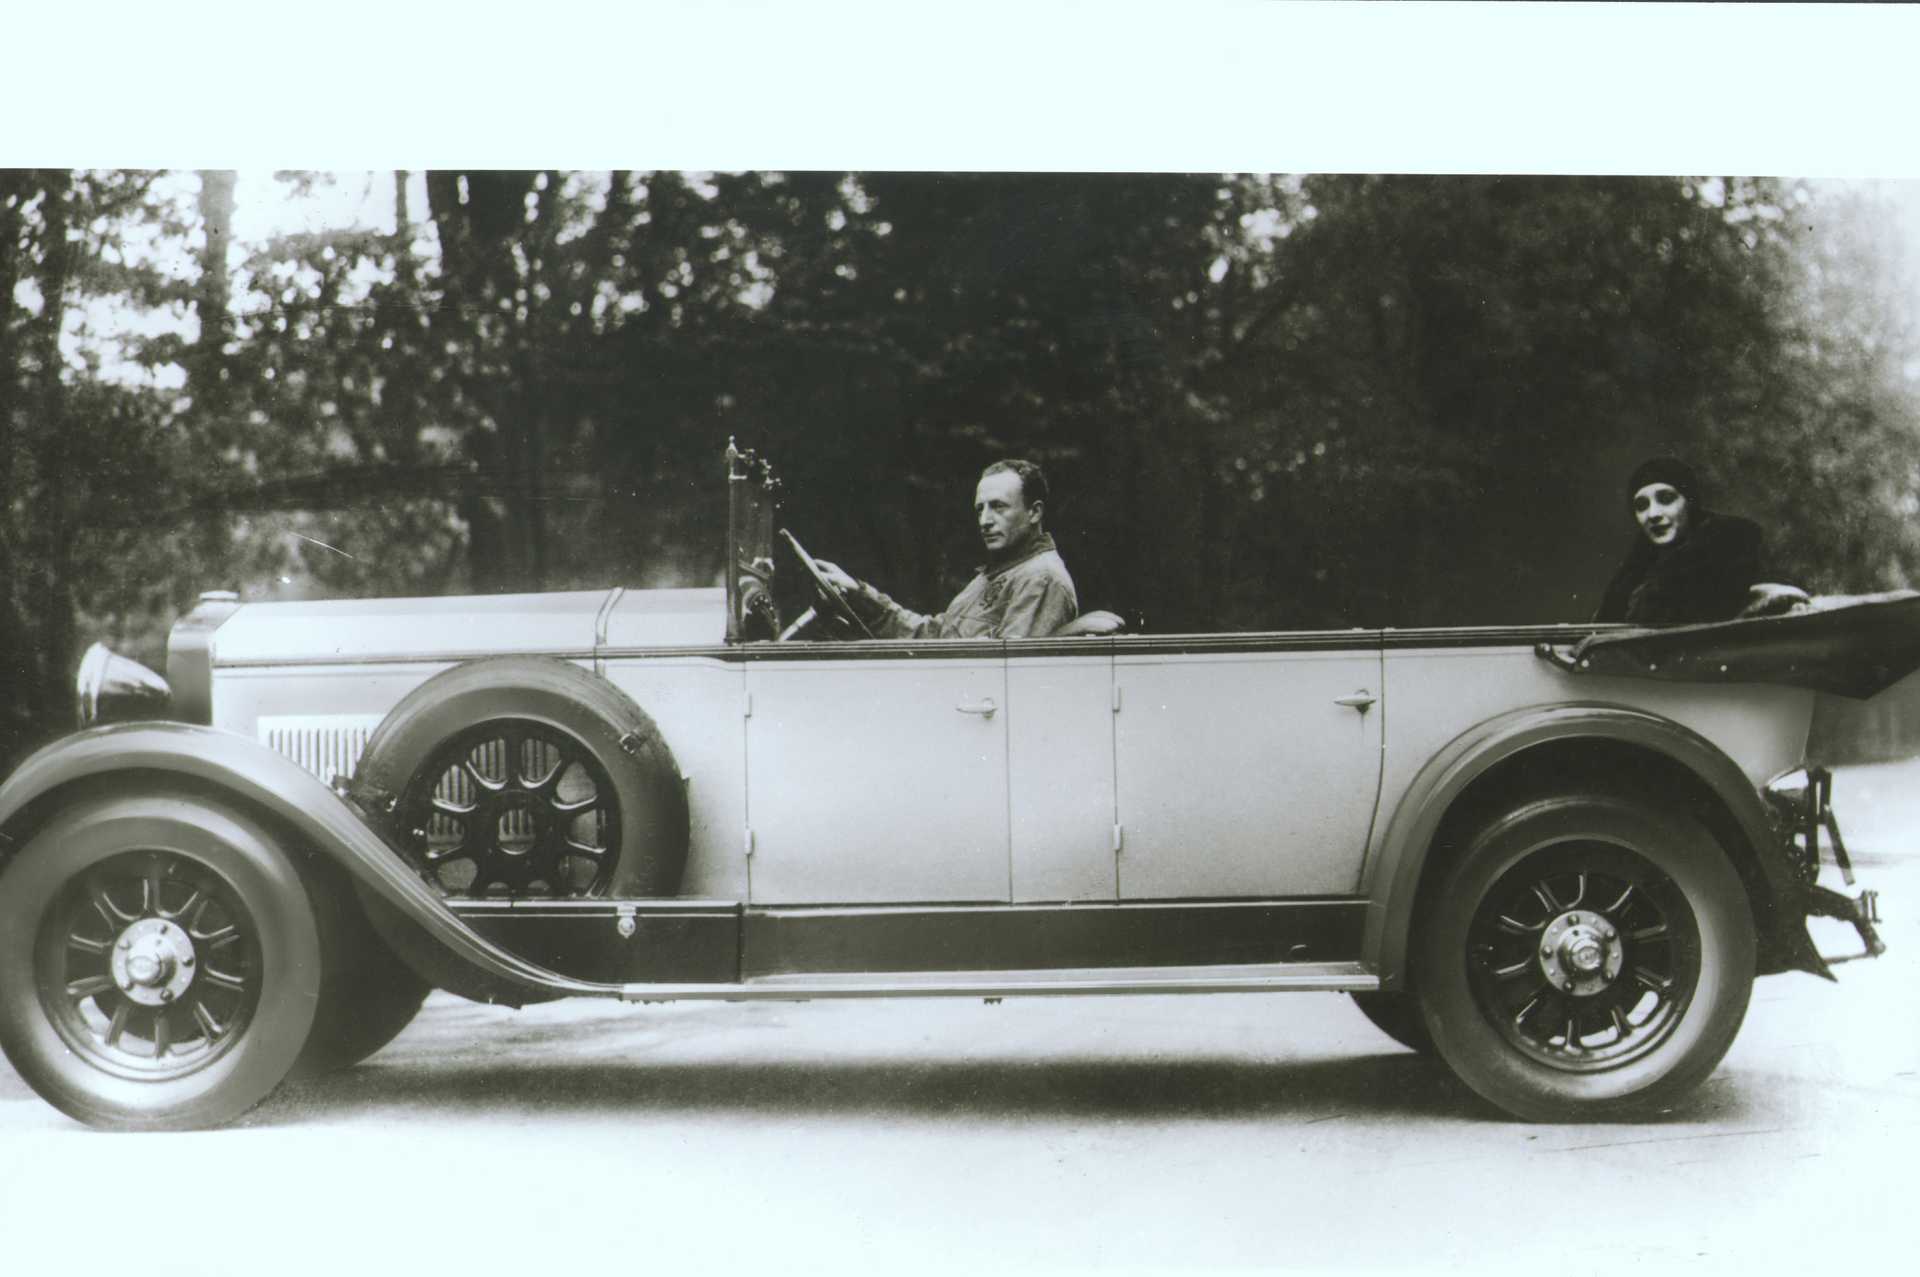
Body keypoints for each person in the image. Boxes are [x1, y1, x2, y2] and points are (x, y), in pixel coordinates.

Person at [816, 459, 1079, 639]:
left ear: (1034, 512)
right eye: (980, 509)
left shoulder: (1040, 578)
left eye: (998, 507)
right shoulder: (998, 574)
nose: (985, 521)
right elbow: (933, 635)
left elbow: (1008, 675)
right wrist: (861, 596)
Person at [1594, 457, 1763, 624]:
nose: (1653, 514)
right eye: (1642, 506)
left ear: (1689, 502)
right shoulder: (1637, 564)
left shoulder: (1730, 545)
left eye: (1666, 499)